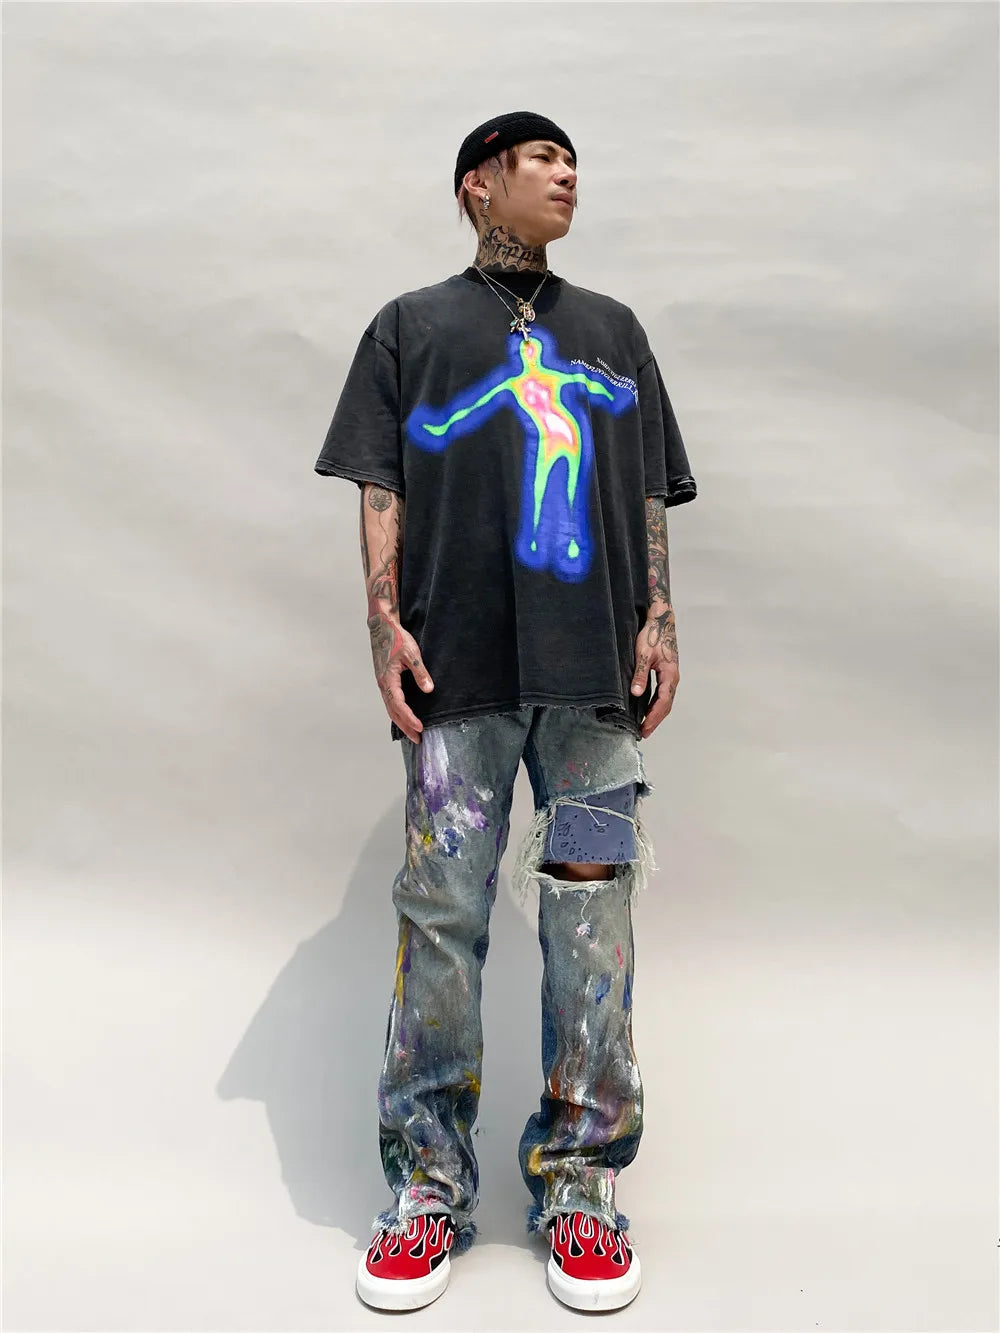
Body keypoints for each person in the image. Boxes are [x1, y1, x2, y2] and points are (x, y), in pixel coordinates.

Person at [314, 111, 697, 1314]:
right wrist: (383, 622)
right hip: (458, 674)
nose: (565, 174)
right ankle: (427, 1186)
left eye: (573, 161)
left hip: (591, 687)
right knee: (442, 915)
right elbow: (380, 482)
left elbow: (647, 492)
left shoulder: (612, 332)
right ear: (478, 184)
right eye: (540, 159)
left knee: (592, 917)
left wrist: (659, 616)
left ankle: (580, 1184)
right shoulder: (410, 326)